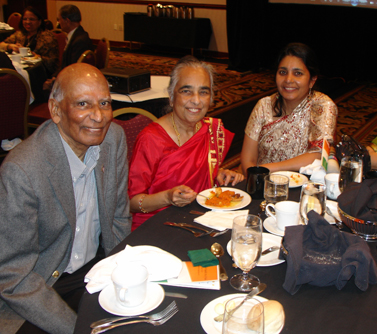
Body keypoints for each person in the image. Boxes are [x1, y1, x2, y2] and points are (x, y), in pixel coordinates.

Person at [0, 63, 132, 334]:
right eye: (83, 103)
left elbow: (118, 216)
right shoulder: (23, 170)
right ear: (56, 110)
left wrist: (124, 278)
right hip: (41, 283)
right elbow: (13, 274)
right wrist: (77, 328)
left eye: (105, 103)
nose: (98, 116)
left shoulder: (113, 140)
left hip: (96, 270)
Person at [128, 56, 244, 230]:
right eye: (186, 91)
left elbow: (193, 172)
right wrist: (167, 197)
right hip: (157, 225)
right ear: (171, 95)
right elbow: (132, 202)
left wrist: (216, 173)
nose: (196, 100)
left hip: (200, 219)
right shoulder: (151, 138)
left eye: (204, 92)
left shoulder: (210, 130)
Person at [240, 43, 338, 176]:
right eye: (283, 72)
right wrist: (257, 179)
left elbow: (319, 154)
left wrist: (266, 170)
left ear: (312, 80)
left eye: (298, 73)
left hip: (303, 186)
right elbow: (248, 159)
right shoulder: (263, 106)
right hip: (262, 183)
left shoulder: (322, 106)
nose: (288, 79)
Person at [0, 7, 58, 77]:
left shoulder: (47, 37)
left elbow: (53, 62)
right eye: (25, 19)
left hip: (39, 72)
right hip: (21, 69)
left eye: (31, 19)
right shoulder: (20, 34)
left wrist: (33, 55)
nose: (28, 22)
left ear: (39, 22)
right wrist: (10, 46)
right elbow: (2, 44)